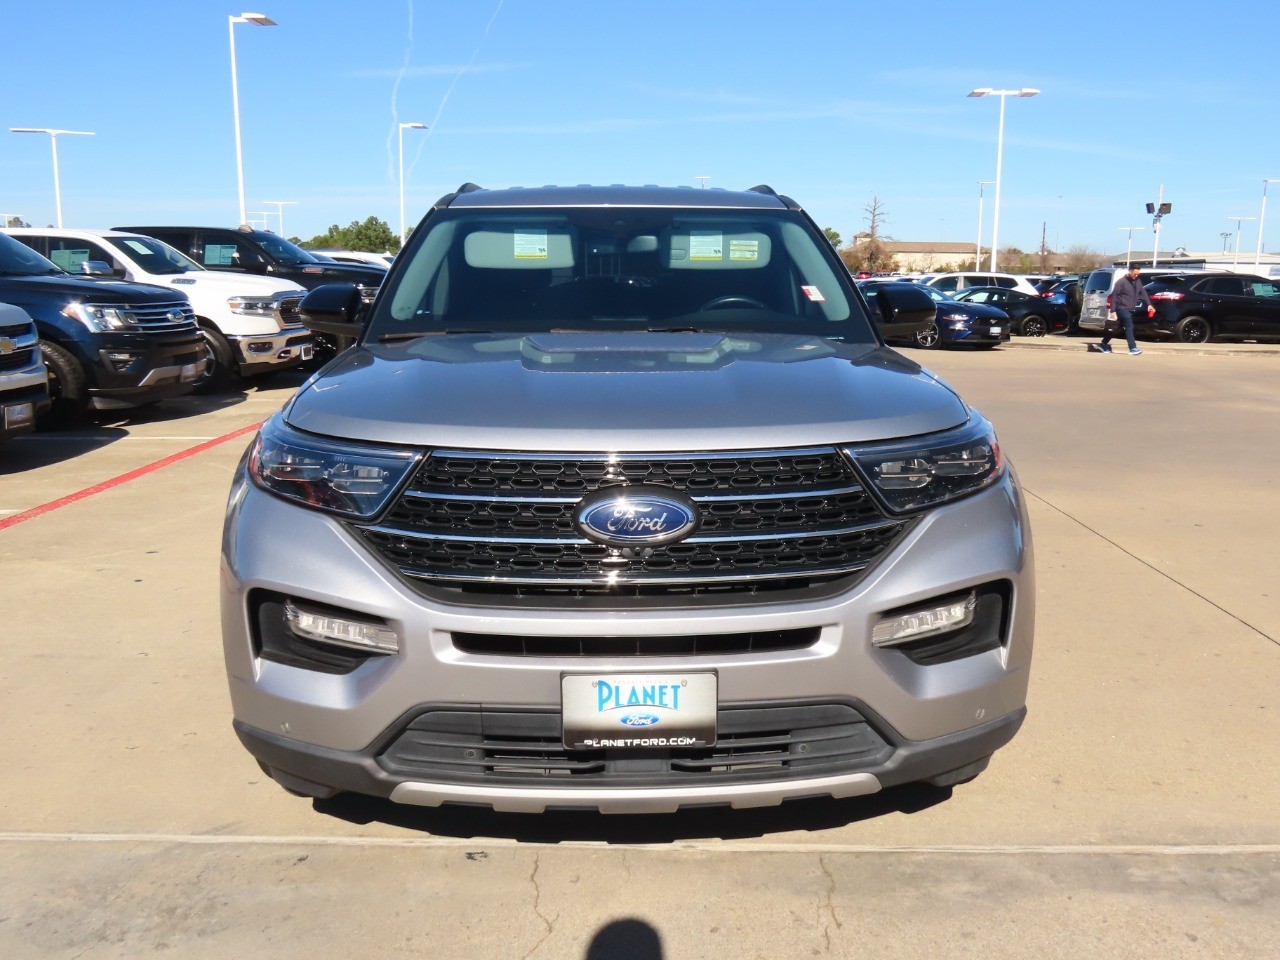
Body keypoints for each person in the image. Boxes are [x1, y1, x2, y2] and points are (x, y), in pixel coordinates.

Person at [1100, 265, 1149, 355]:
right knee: (1129, 326)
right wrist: (1113, 310)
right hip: (1121, 308)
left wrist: (1149, 304)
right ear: (1130, 271)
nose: (1136, 276)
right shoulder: (1121, 282)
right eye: (1135, 274)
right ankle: (1132, 348)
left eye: (1138, 274)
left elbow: (1143, 293)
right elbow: (1114, 296)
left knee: (1117, 328)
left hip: (1130, 308)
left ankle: (1103, 343)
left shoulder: (1137, 281)